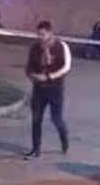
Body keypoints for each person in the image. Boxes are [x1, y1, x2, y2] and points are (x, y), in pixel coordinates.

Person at [24, 20, 71, 159]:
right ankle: (36, 148)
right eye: (38, 34)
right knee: (36, 119)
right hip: (39, 89)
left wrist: (49, 77)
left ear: (50, 33)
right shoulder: (34, 48)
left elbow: (66, 67)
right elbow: (29, 66)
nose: (40, 37)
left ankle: (64, 138)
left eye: (42, 34)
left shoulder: (61, 46)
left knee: (56, 119)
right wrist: (32, 75)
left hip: (55, 88)